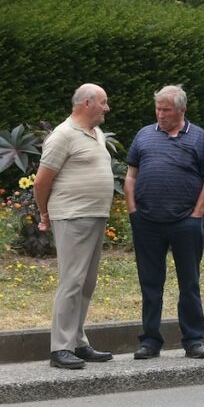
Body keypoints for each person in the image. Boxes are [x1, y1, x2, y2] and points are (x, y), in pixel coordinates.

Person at [125, 85, 204, 360]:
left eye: (166, 110)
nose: (160, 114)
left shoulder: (199, 137)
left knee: (189, 283)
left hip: (184, 223)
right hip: (147, 223)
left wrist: (197, 215)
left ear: (181, 110)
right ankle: (150, 341)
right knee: (150, 284)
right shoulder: (144, 135)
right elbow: (131, 175)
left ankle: (193, 340)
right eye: (158, 109)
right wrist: (133, 210)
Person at [33, 84, 115, 369]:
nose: (107, 108)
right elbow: (42, 181)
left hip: (94, 215)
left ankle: (78, 342)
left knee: (86, 282)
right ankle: (60, 348)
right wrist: (45, 213)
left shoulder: (96, 133)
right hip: (71, 216)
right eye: (103, 103)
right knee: (71, 281)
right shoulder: (63, 135)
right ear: (87, 103)